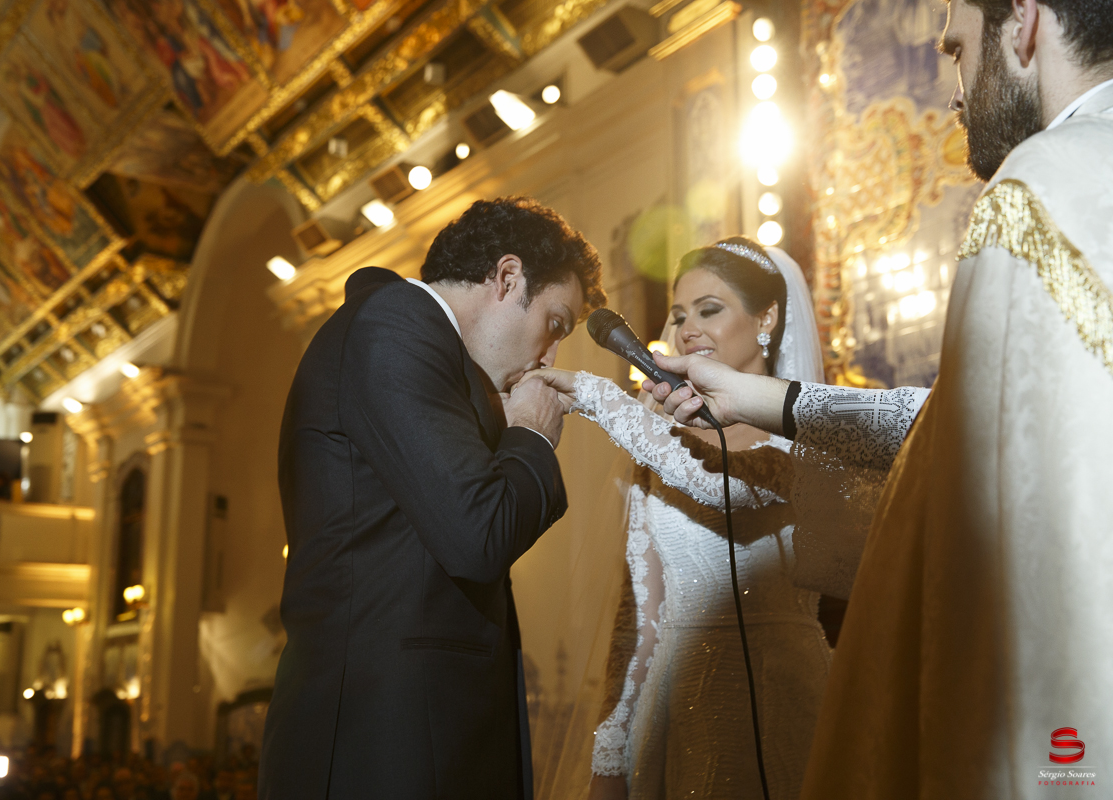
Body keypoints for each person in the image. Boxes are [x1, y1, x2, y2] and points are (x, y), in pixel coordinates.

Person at [643, 0, 1113, 795]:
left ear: (1025, 23)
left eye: (960, 51)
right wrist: (775, 401)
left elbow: (1037, 540)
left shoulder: (1039, 190)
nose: (957, 92)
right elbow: (945, 424)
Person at [259, 196, 605, 800]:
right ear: (507, 277)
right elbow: (478, 535)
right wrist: (530, 437)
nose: (549, 358)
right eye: (555, 324)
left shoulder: (422, 347)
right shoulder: (395, 322)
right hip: (382, 744)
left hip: (408, 733)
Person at [537, 239, 840, 799]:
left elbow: (736, 488)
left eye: (709, 308)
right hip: (679, 714)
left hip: (792, 702)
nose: (687, 327)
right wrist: (611, 754)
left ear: (766, 317)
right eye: (679, 315)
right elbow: (640, 619)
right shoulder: (659, 443)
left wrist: (602, 398)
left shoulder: (810, 432)